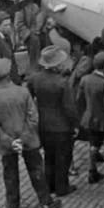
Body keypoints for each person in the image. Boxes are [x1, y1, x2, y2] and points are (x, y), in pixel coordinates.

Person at [0, 58, 61, 208]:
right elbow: (33, 119)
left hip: (7, 144)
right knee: (36, 171)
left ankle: (13, 204)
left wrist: (11, 142)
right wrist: (22, 139)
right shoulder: (23, 92)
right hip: (29, 140)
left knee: (10, 174)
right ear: (8, 75)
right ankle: (46, 202)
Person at [27, 45, 79, 198]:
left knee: (49, 156)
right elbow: (69, 108)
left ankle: (49, 185)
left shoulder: (34, 78)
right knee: (62, 158)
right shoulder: (62, 83)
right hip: (61, 126)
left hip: (43, 125)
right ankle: (62, 187)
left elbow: (28, 98)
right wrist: (75, 125)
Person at [76, 51, 104, 190]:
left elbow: (79, 100)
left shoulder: (85, 79)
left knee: (93, 145)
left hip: (90, 118)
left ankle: (92, 171)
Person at [15, 0, 46, 74]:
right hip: (32, 36)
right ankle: (34, 74)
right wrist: (28, 35)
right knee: (34, 61)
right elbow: (19, 23)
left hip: (43, 32)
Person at [0, 11, 20, 85]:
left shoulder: (6, 35)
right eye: (5, 25)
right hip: (3, 80)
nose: (8, 27)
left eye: (9, 24)